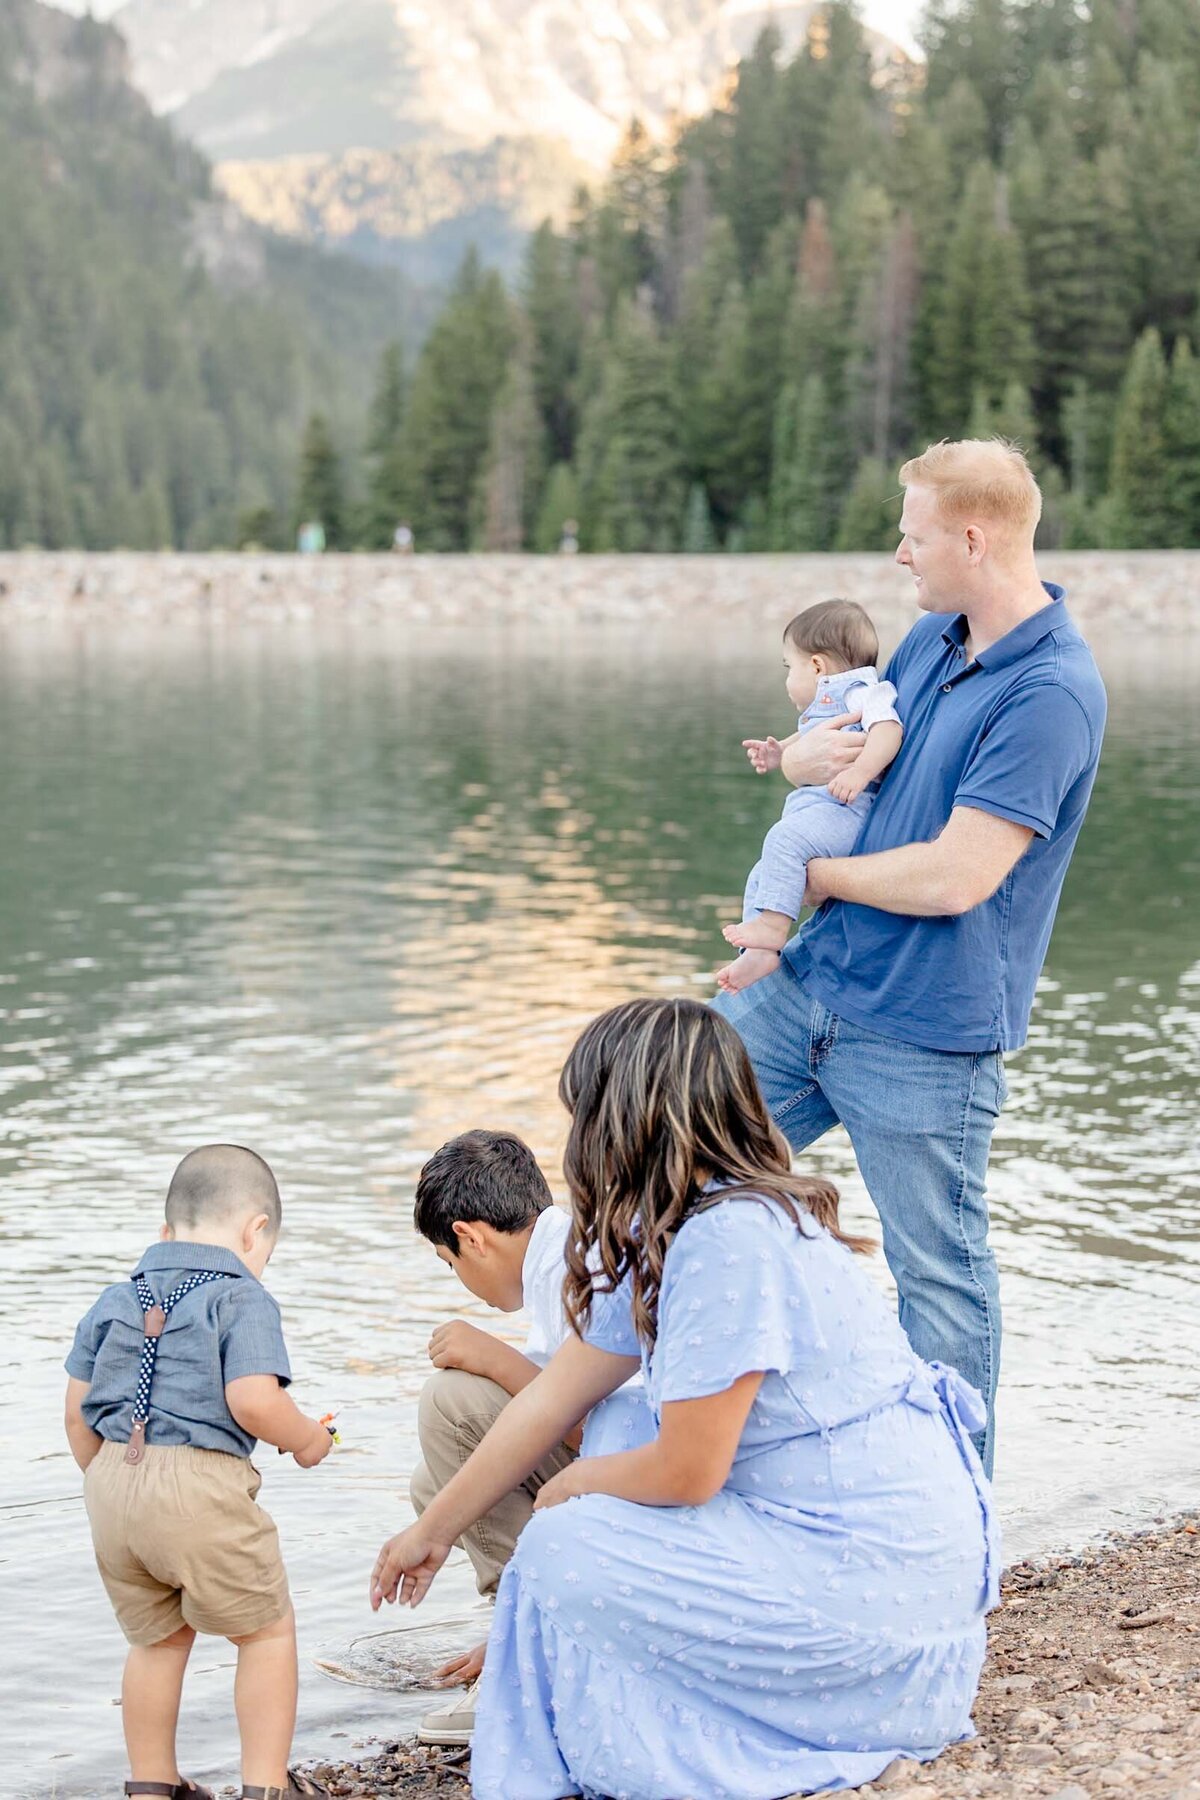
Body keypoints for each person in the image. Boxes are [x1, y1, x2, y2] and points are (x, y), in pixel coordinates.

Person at [371, 999, 999, 1800]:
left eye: (584, 1113)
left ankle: (622, 1716)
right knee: (617, 1421)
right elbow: (548, 1404)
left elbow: (691, 1472)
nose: (575, 1142)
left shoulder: (727, 1239)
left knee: (566, 1538)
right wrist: (431, 1532)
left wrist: (568, 1495)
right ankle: (588, 1685)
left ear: (625, 1117)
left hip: (880, 1612)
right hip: (848, 1561)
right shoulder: (676, 1230)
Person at [713, 438, 1107, 1477]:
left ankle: (951, 1518)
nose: (899, 555)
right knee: (663, 1150)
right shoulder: (934, 641)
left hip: (927, 1033)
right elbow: (852, 750)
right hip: (813, 992)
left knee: (939, 1276)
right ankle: (716, 1448)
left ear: (972, 538)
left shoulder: (1052, 692)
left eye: (915, 533)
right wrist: (796, 760)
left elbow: (954, 878)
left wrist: (814, 884)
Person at [64, 1145, 332, 1800]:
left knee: (156, 1639)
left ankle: (152, 1786)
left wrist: (116, 1482)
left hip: (109, 1483)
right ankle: (266, 1787)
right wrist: (307, 1440)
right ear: (255, 1231)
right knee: (266, 1630)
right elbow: (253, 1400)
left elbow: (76, 1414)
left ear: (166, 1232)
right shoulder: (241, 1297)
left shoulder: (114, 1297)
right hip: (198, 1485)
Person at [410, 1129, 651, 1747]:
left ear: (469, 1237)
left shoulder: (569, 1265)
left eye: (450, 1264)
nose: (460, 1279)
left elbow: (583, 1419)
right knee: (433, 1484)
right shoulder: (565, 1245)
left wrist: (493, 1358)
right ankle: (524, 1621)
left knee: (451, 1403)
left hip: (642, 1471)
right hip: (640, 1457)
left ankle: (526, 1651)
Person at [716, 598, 903, 994]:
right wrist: (779, 753)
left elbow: (889, 731)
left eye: (790, 667)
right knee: (764, 872)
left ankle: (771, 930)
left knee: (781, 841)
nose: (787, 679)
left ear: (817, 666)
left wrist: (859, 773)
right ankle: (757, 952)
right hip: (823, 812)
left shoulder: (861, 691)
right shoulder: (830, 700)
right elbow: (815, 737)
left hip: (847, 813)